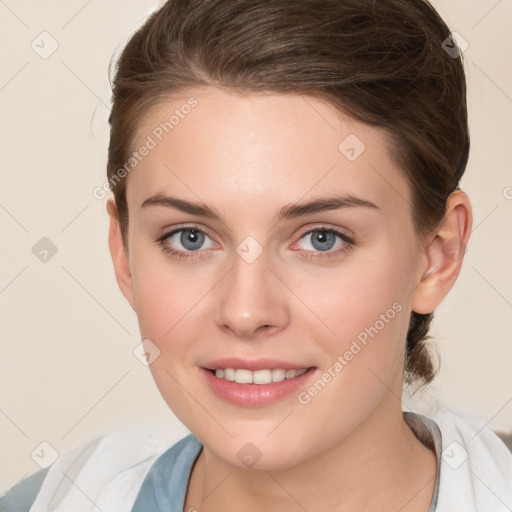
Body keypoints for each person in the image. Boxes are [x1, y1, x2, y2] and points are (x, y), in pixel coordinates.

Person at [2, 0, 511, 510]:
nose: (245, 312)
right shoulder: (50, 500)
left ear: (438, 255)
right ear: (124, 253)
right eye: (190, 238)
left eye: (321, 239)